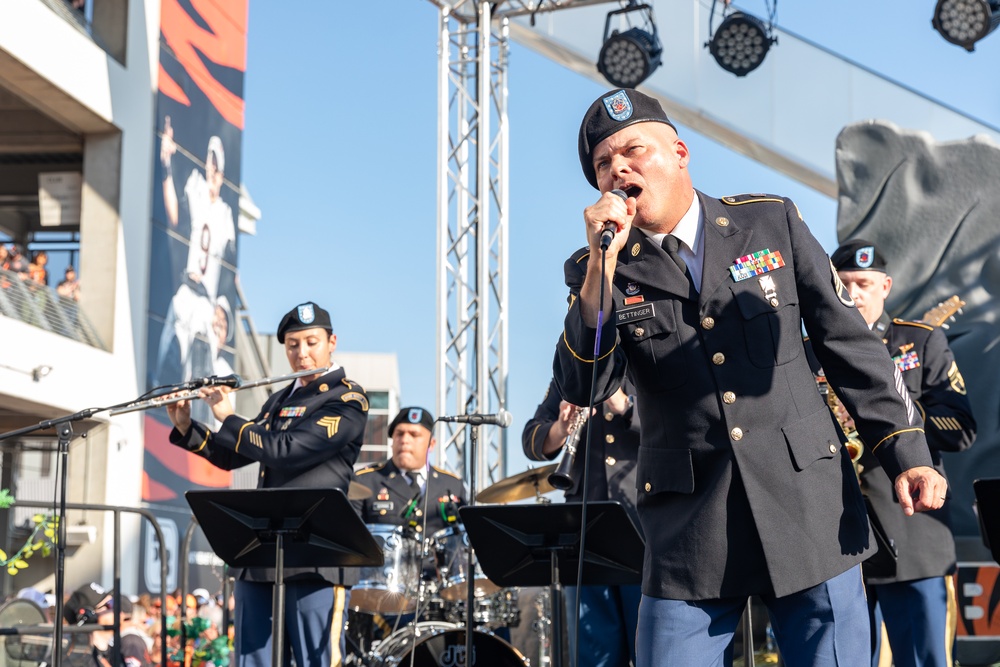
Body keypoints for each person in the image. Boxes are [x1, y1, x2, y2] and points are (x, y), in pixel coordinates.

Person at [553, 87, 948, 667]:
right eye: (603, 165)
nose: (618, 170)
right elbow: (583, 388)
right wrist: (602, 275)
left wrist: (906, 450)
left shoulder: (770, 222)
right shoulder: (597, 269)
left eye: (633, 150)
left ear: (680, 151)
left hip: (807, 508)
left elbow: (849, 345)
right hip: (688, 530)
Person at [165, 301, 369, 667]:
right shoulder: (280, 399)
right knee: (253, 661)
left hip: (316, 556)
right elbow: (234, 455)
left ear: (331, 341)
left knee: (316, 661)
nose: (301, 354)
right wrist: (187, 427)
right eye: (292, 345)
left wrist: (228, 416)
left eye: (311, 342)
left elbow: (286, 452)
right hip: (261, 554)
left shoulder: (348, 399)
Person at [825, 239, 976, 667]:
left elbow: (960, 429)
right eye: (845, 284)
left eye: (864, 284)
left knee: (923, 659)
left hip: (911, 539)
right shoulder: (810, 348)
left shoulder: (920, 341)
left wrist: (893, 408)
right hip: (838, 540)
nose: (854, 294)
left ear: (885, 286)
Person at [522, 380, 641, 667]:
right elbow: (531, 438)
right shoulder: (574, 366)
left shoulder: (651, 352)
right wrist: (561, 429)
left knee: (652, 647)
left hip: (644, 525)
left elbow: (681, 422)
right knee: (591, 653)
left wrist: (624, 406)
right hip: (586, 530)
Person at [155, 115, 236, 386]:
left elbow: (231, 270)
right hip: (187, 285)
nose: (212, 170)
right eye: (210, 162)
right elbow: (174, 214)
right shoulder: (196, 188)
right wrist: (166, 164)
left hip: (207, 299)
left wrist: (222, 308)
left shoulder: (225, 214)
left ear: (222, 175)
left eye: (216, 166)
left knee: (202, 369)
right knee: (169, 341)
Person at [354, 407, 466, 536]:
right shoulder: (364, 481)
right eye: (399, 434)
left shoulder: (452, 485)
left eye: (414, 435)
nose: (404, 440)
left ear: (432, 444)